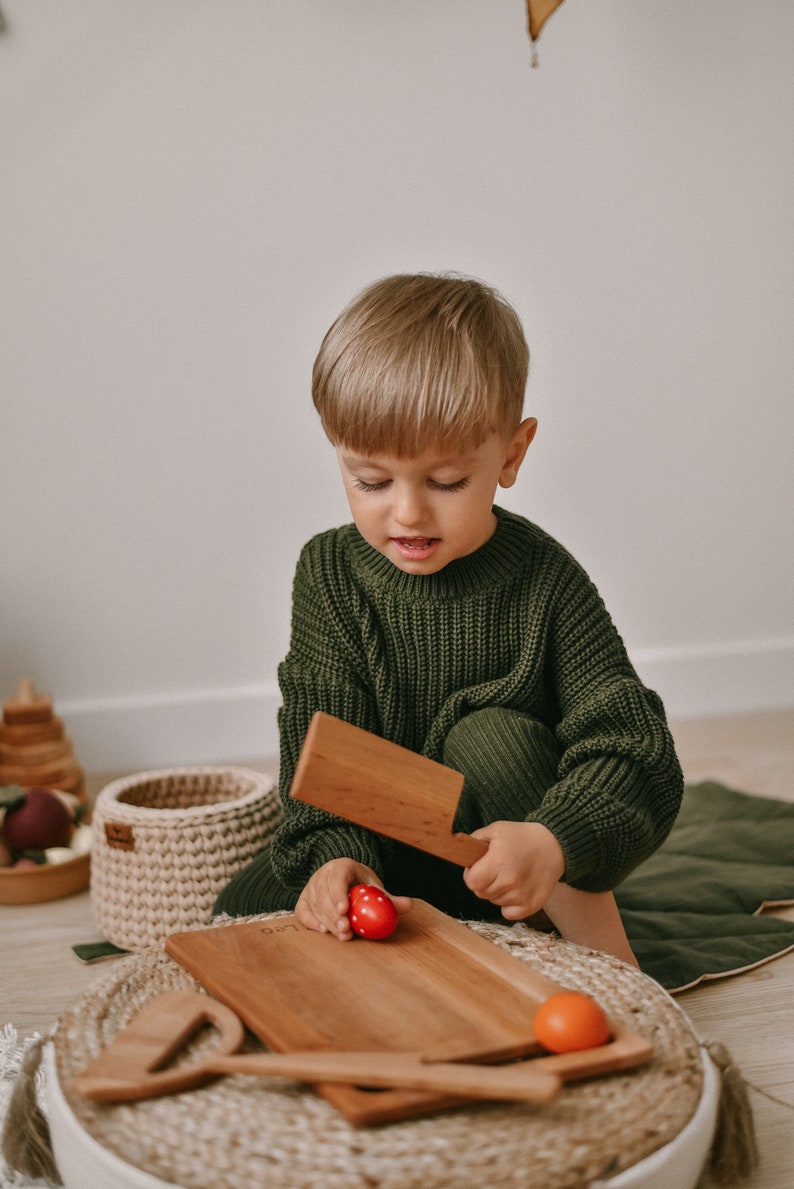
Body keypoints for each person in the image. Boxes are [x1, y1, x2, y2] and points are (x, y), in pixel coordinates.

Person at [214, 272, 684, 965]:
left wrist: (553, 840)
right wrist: (336, 859)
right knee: (235, 913)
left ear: (511, 456)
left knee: (491, 736)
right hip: (387, 861)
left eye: (446, 481)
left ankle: (614, 969)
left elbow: (637, 749)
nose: (407, 512)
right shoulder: (330, 573)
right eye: (371, 481)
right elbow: (321, 744)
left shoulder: (545, 579)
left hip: (512, 870)